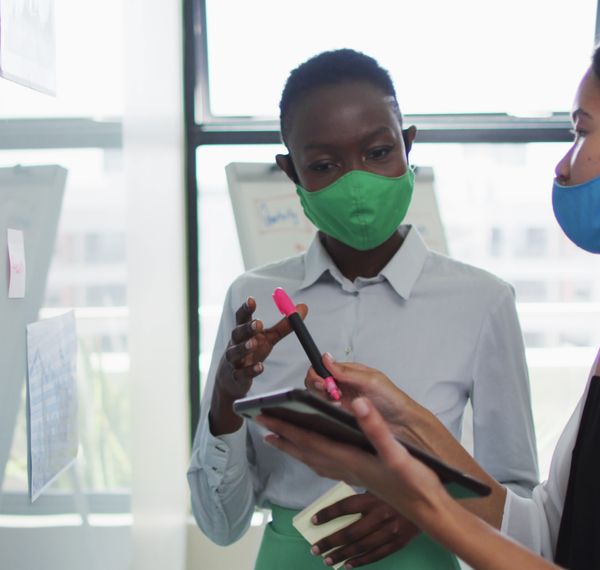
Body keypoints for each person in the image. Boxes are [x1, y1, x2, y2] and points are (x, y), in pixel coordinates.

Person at [258, 12, 600, 570]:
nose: (562, 166)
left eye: (581, 132)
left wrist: (413, 494)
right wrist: (411, 428)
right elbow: (548, 537)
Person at [188, 49, 540, 569]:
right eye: (325, 165)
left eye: (377, 152)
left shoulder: (482, 301)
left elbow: (515, 500)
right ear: (291, 172)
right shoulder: (253, 300)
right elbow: (221, 526)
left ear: (407, 145)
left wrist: (425, 506)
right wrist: (225, 399)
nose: (356, 182)